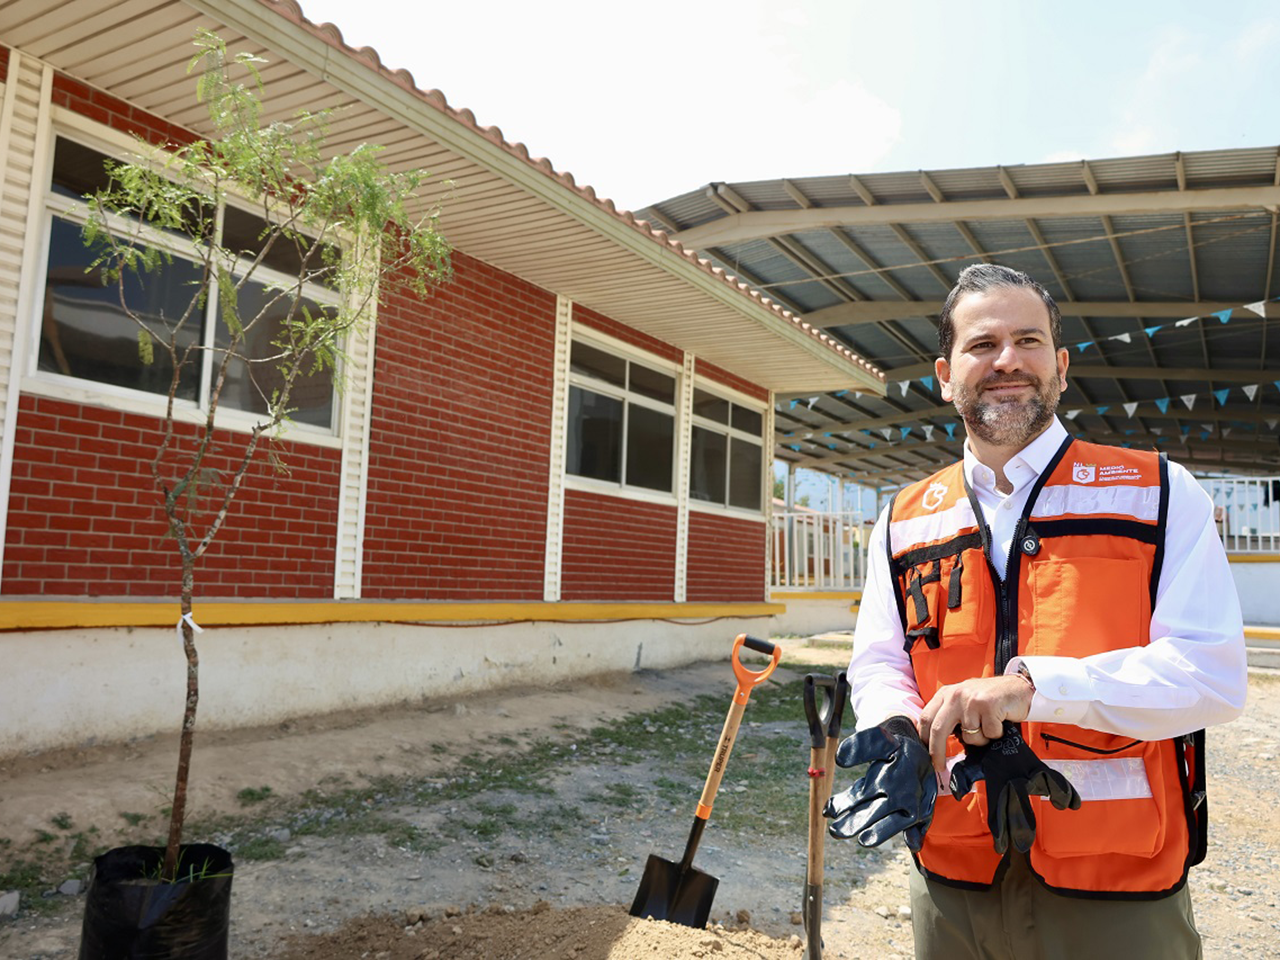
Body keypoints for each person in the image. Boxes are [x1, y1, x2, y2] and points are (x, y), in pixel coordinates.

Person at [824, 263, 1247, 960]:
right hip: (954, 874)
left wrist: (1032, 691)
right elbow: (878, 662)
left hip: (1118, 883)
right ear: (944, 372)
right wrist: (894, 724)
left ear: (1061, 365)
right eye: (982, 344)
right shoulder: (901, 519)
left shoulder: (1158, 492)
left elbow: (1213, 675)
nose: (1008, 361)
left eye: (1028, 340)